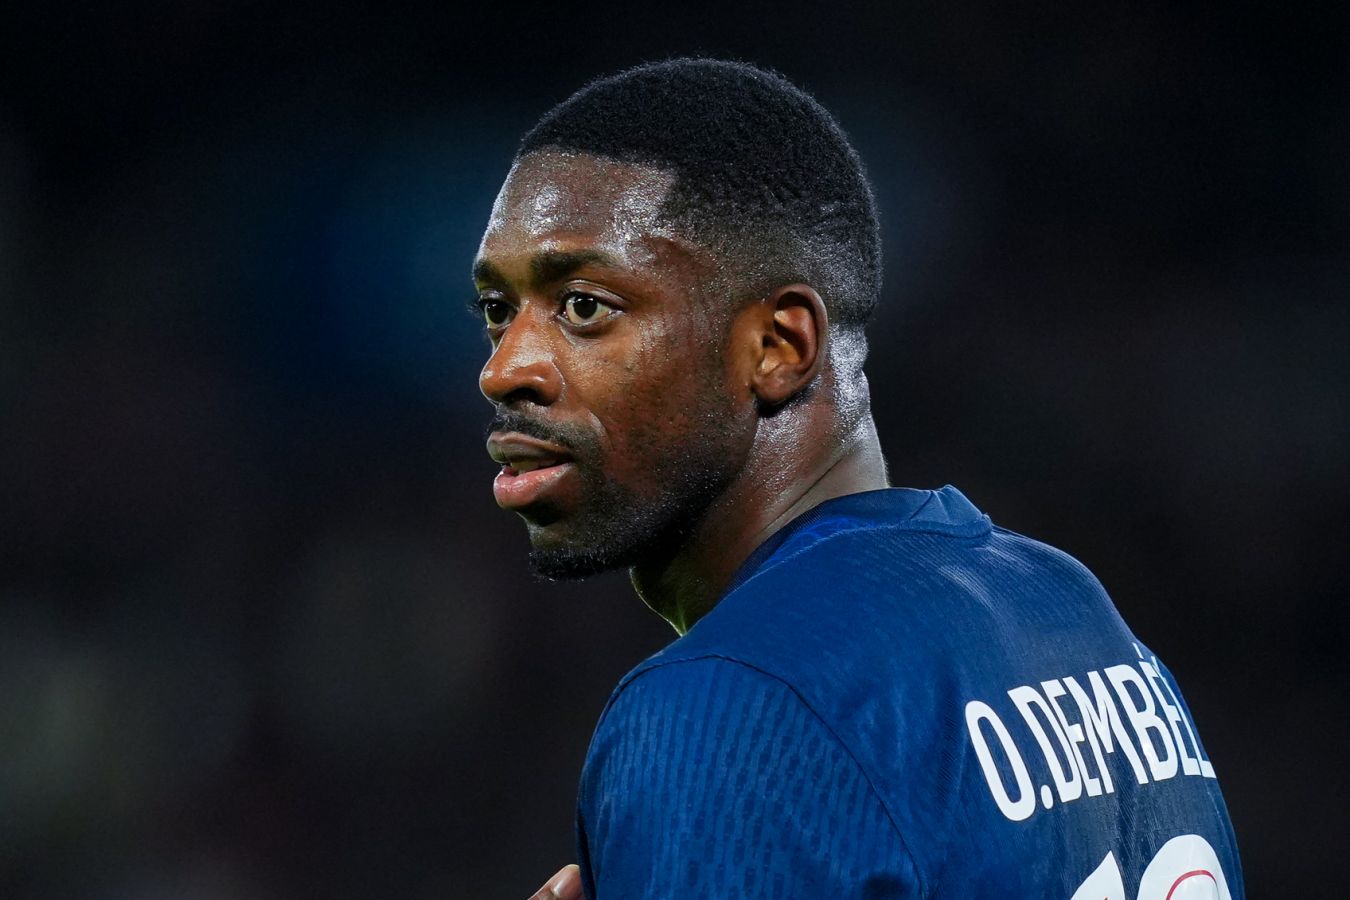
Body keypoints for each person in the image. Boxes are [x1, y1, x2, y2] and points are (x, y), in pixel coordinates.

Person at [471, 59, 1243, 899]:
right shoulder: (1069, 609)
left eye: (584, 306)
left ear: (780, 347)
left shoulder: (734, 701)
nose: (504, 369)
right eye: (497, 312)